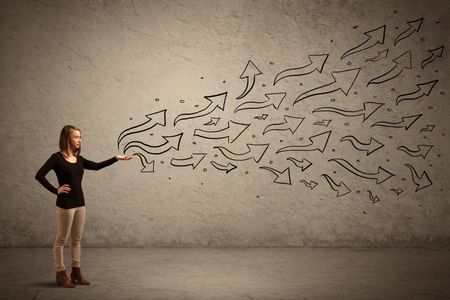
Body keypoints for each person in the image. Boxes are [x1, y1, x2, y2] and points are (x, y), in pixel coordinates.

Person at [35, 125, 132, 288]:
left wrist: (116, 158)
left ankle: (76, 273)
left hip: (80, 203)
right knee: (61, 240)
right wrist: (56, 190)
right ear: (67, 138)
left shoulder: (79, 160)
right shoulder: (56, 158)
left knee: (77, 239)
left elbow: (97, 166)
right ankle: (61, 273)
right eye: (76, 137)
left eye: (80, 137)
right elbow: (39, 175)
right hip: (65, 204)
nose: (79, 140)